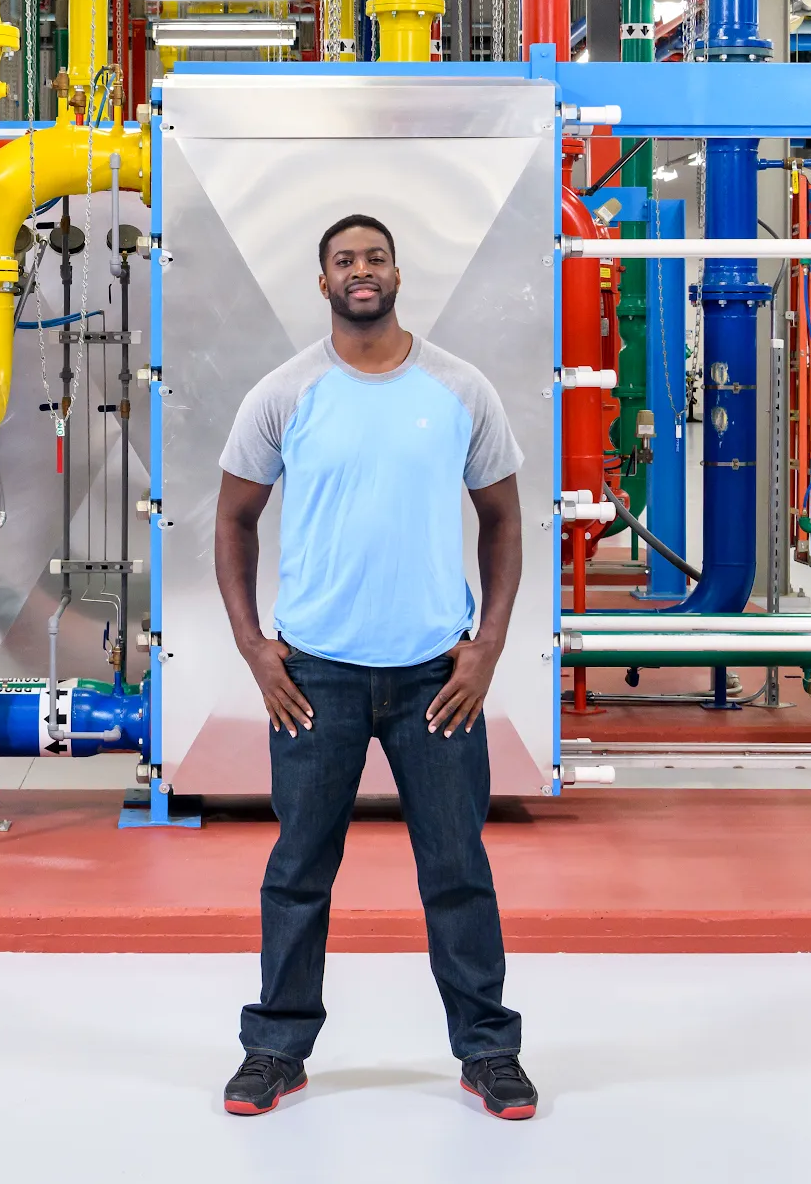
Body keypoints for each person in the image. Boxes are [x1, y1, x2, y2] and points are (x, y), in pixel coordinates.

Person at [213, 212, 536, 1121]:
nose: (363, 270)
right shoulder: (286, 392)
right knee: (298, 869)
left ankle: (488, 1051)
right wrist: (254, 647)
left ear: (398, 272)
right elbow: (233, 520)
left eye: (376, 257)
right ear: (323, 283)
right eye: (345, 260)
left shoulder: (458, 388)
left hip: (438, 682)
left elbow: (505, 521)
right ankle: (275, 1046)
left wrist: (488, 647)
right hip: (316, 680)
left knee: (458, 868)